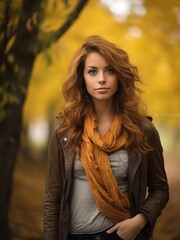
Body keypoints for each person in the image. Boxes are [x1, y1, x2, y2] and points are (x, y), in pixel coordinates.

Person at [44, 35, 169, 240]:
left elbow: (160, 189)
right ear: (82, 77)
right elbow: (52, 197)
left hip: (123, 236)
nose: (101, 78)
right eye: (92, 71)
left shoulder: (142, 130)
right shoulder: (65, 129)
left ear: (120, 76)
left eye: (109, 70)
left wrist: (139, 221)